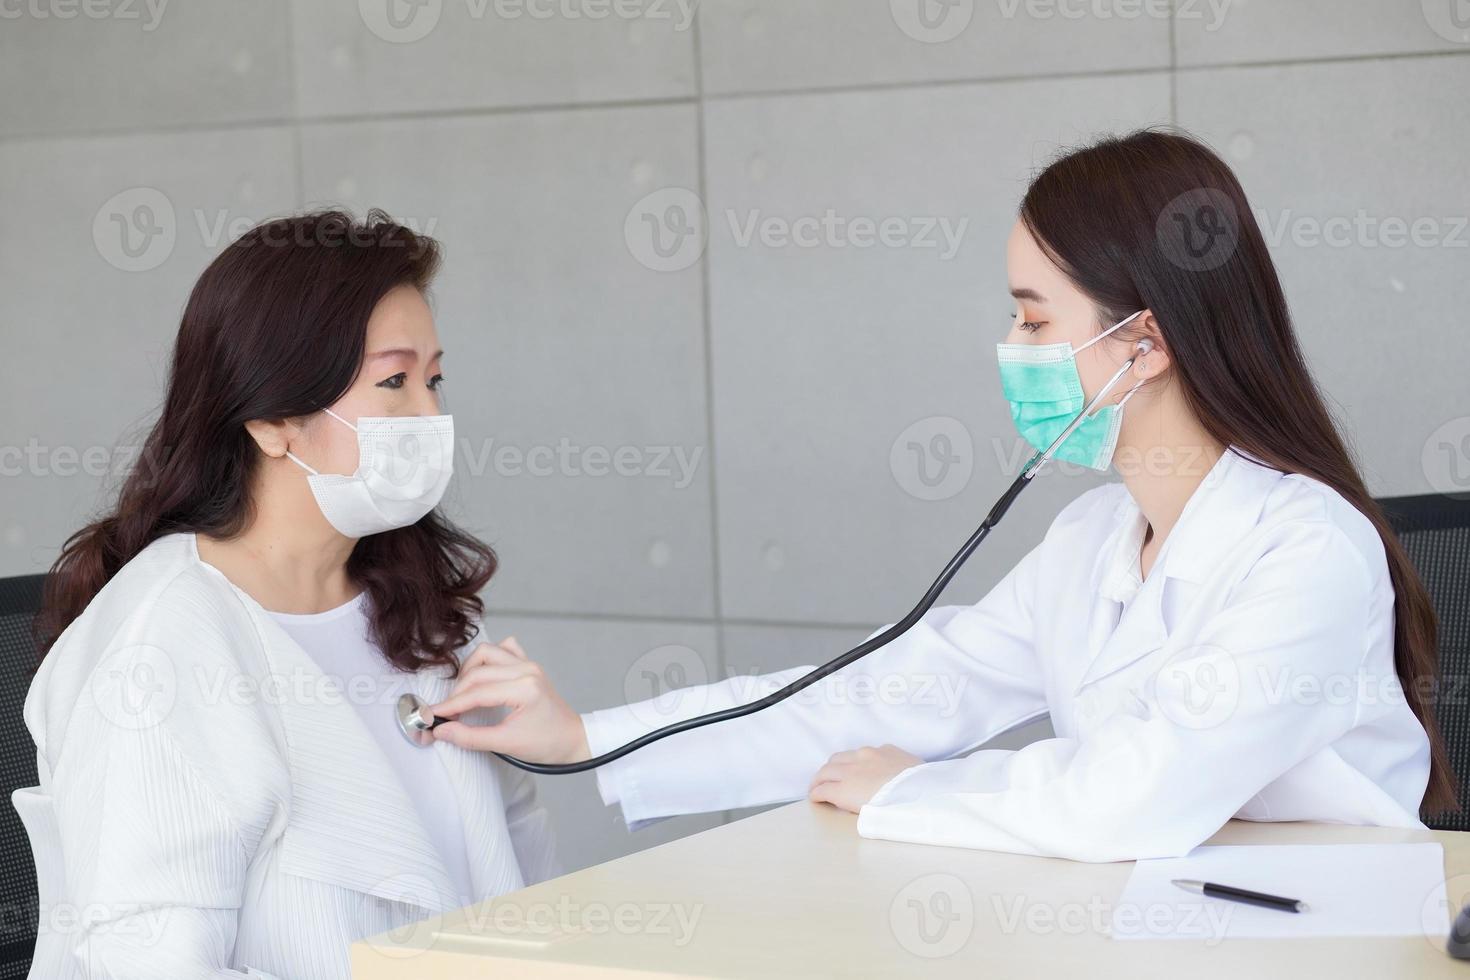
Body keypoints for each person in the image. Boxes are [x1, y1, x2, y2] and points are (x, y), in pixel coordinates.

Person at [426, 129, 1456, 863]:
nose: (1012, 351)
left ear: (1143, 342)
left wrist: (912, 790)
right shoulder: (1095, 539)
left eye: (1037, 321)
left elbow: (1134, 797)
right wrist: (592, 739)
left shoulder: (1307, 549)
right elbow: (883, 690)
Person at [17, 211, 557, 979]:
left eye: (434, 379)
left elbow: (517, 871)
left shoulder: (411, 607)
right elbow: (153, 966)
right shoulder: (162, 643)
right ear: (272, 418)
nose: (431, 415)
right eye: (394, 381)